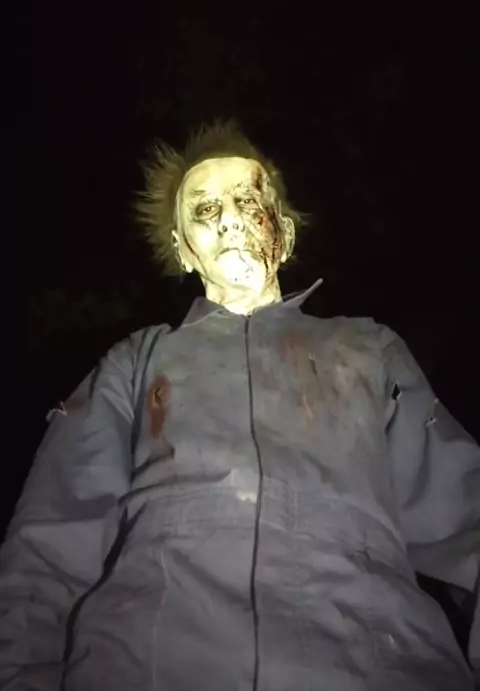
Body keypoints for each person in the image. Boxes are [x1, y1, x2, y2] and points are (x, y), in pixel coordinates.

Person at [1, 119, 479, 690]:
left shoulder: (368, 349)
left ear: (287, 233)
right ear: (183, 250)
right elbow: (51, 542)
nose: (228, 218)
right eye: (204, 209)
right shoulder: (136, 362)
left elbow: (467, 517)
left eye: (247, 200)